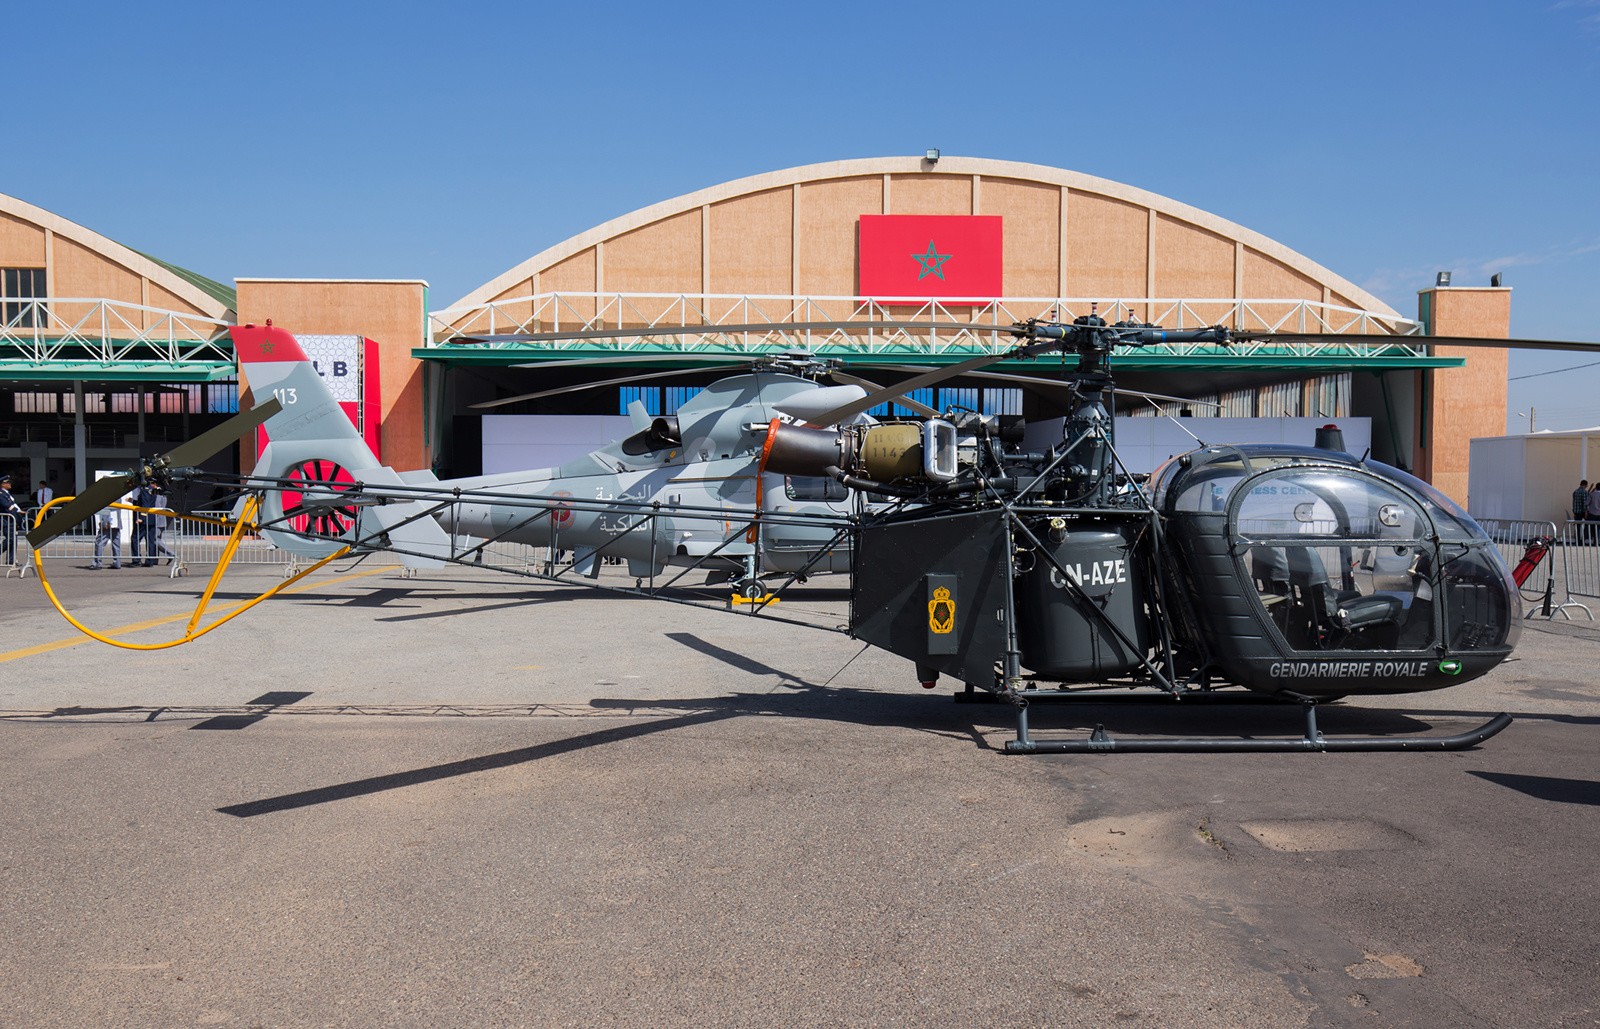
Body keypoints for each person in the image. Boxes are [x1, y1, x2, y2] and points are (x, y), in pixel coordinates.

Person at [91, 493, 131, 570]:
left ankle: (97, 563)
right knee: (116, 544)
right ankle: (117, 563)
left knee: (100, 543)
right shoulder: (118, 496)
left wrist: (104, 522)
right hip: (116, 522)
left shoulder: (106, 496)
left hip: (107, 523)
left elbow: (105, 509)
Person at [0, 474, 21, 566]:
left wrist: (19, 513)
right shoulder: (1, 494)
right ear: (3, 484)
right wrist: (18, 511)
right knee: (10, 539)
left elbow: (13, 505)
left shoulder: (7, 493)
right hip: (6, 520)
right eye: (8, 482)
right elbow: (7, 506)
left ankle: (11, 560)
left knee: (14, 540)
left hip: (12, 519)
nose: (10, 484)